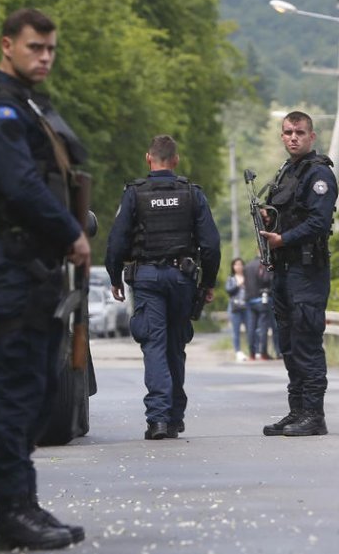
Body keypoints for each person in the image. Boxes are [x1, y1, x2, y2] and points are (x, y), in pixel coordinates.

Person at [0, 7, 90, 551]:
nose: (44, 58)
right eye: (35, 47)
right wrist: (71, 234)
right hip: (16, 262)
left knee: (38, 392)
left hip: (38, 267)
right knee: (19, 392)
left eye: (51, 49)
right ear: (7, 45)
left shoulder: (31, 107)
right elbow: (19, 185)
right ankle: (10, 513)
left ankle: (24, 503)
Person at [105, 135, 221, 440]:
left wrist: (114, 277)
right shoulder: (191, 194)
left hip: (146, 280)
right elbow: (210, 243)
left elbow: (117, 240)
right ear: (176, 160)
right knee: (174, 346)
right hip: (181, 279)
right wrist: (208, 282)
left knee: (154, 345)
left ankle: (157, 420)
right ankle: (173, 417)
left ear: (148, 158)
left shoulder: (135, 194)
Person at [259, 111, 337, 437]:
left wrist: (283, 239)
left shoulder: (319, 174)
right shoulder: (286, 173)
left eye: (300, 132)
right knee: (288, 345)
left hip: (307, 271)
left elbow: (319, 223)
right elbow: (287, 214)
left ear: (311, 137)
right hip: (284, 271)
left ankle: (314, 414)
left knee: (306, 343)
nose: (293, 137)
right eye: (288, 132)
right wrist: (269, 221)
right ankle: (297, 411)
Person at [243, 257, 272, 360]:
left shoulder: (247, 266)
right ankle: (263, 353)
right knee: (263, 327)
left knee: (251, 328)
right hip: (261, 299)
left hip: (249, 299)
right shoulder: (263, 265)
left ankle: (252, 353)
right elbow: (266, 279)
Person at [225, 257, 249, 362]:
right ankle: (238, 351)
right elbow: (229, 290)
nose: (239, 267)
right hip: (235, 308)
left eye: (240, 264)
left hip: (247, 307)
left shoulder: (248, 277)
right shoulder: (231, 278)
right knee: (236, 331)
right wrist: (238, 284)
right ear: (233, 267)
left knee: (251, 330)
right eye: (236, 265)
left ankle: (252, 350)